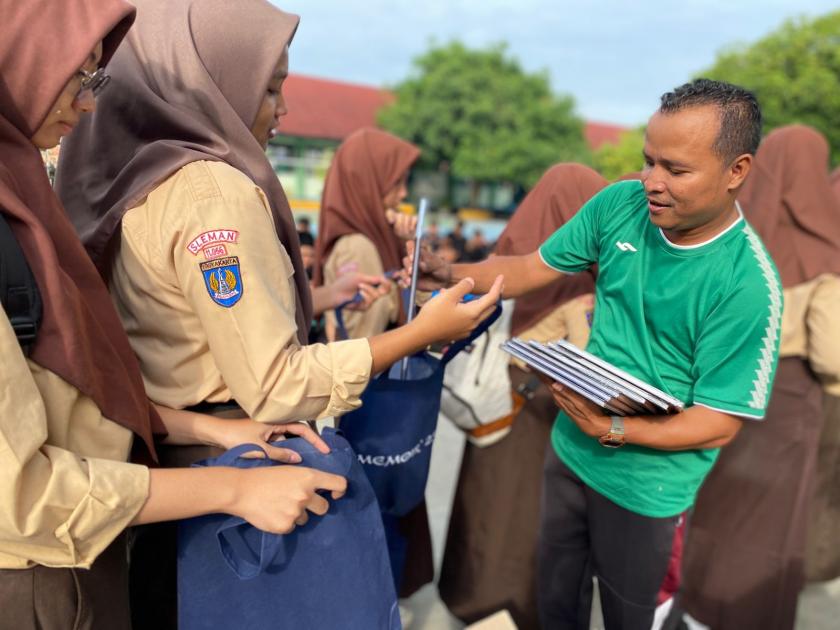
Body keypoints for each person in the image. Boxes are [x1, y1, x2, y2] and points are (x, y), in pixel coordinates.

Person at [55, 2, 501, 625]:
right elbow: (274, 384)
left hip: (172, 462)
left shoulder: (141, 173)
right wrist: (421, 333)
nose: (281, 109)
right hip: (233, 473)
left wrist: (319, 298)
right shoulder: (213, 193)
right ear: (212, 84)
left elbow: (187, 318)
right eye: (269, 87)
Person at [0, 1, 347, 628]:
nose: (86, 105)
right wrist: (234, 488)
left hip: (92, 542)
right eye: (78, 78)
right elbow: (22, 494)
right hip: (37, 575)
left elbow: (68, 398)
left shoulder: (29, 192)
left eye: (96, 81)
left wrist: (207, 431)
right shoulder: (210, 193)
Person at [406, 78, 782, 630]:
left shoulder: (747, 284)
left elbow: (720, 421)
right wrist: (452, 273)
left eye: (675, 170)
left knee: (633, 618)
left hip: (648, 490)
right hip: (570, 453)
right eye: (648, 161)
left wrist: (616, 430)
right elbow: (531, 269)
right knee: (558, 602)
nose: (651, 182)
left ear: (737, 171)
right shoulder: (618, 205)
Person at [675, 124, 840, 629]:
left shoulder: (728, 241)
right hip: (787, 401)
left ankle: (692, 610)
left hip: (721, 391)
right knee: (766, 529)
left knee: (712, 511)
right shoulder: (822, 254)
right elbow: (833, 356)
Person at [439, 163, 606, 630]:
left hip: (496, 407)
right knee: (528, 521)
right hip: (543, 421)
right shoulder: (583, 282)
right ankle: (516, 609)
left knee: (486, 509)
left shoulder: (506, 264)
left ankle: (469, 595)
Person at [314, 127, 420, 341]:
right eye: (396, 182)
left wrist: (407, 243)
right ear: (367, 185)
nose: (403, 193)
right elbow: (361, 341)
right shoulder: (358, 246)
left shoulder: (374, 238)